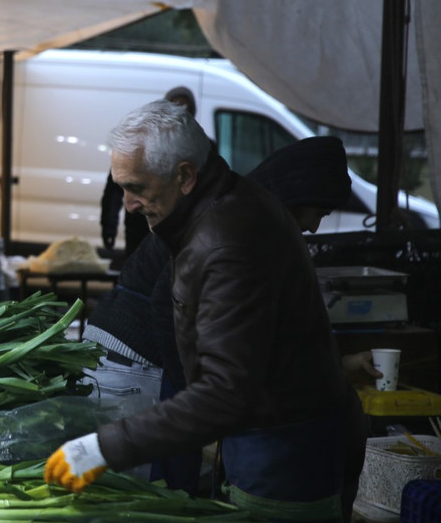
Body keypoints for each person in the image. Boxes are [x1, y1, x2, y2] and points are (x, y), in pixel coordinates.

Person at [45, 100, 356, 523]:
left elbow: (224, 391)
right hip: (281, 431)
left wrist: (103, 447)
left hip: (282, 444)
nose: (129, 204)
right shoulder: (223, 205)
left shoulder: (225, 244)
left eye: (137, 187)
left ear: (185, 176)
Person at [99, 86, 197, 259]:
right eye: (175, 106)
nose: (181, 112)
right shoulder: (140, 143)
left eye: (185, 108)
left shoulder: (199, 148)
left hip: (180, 230)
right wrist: (109, 225)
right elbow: (115, 189)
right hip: (140, 229)